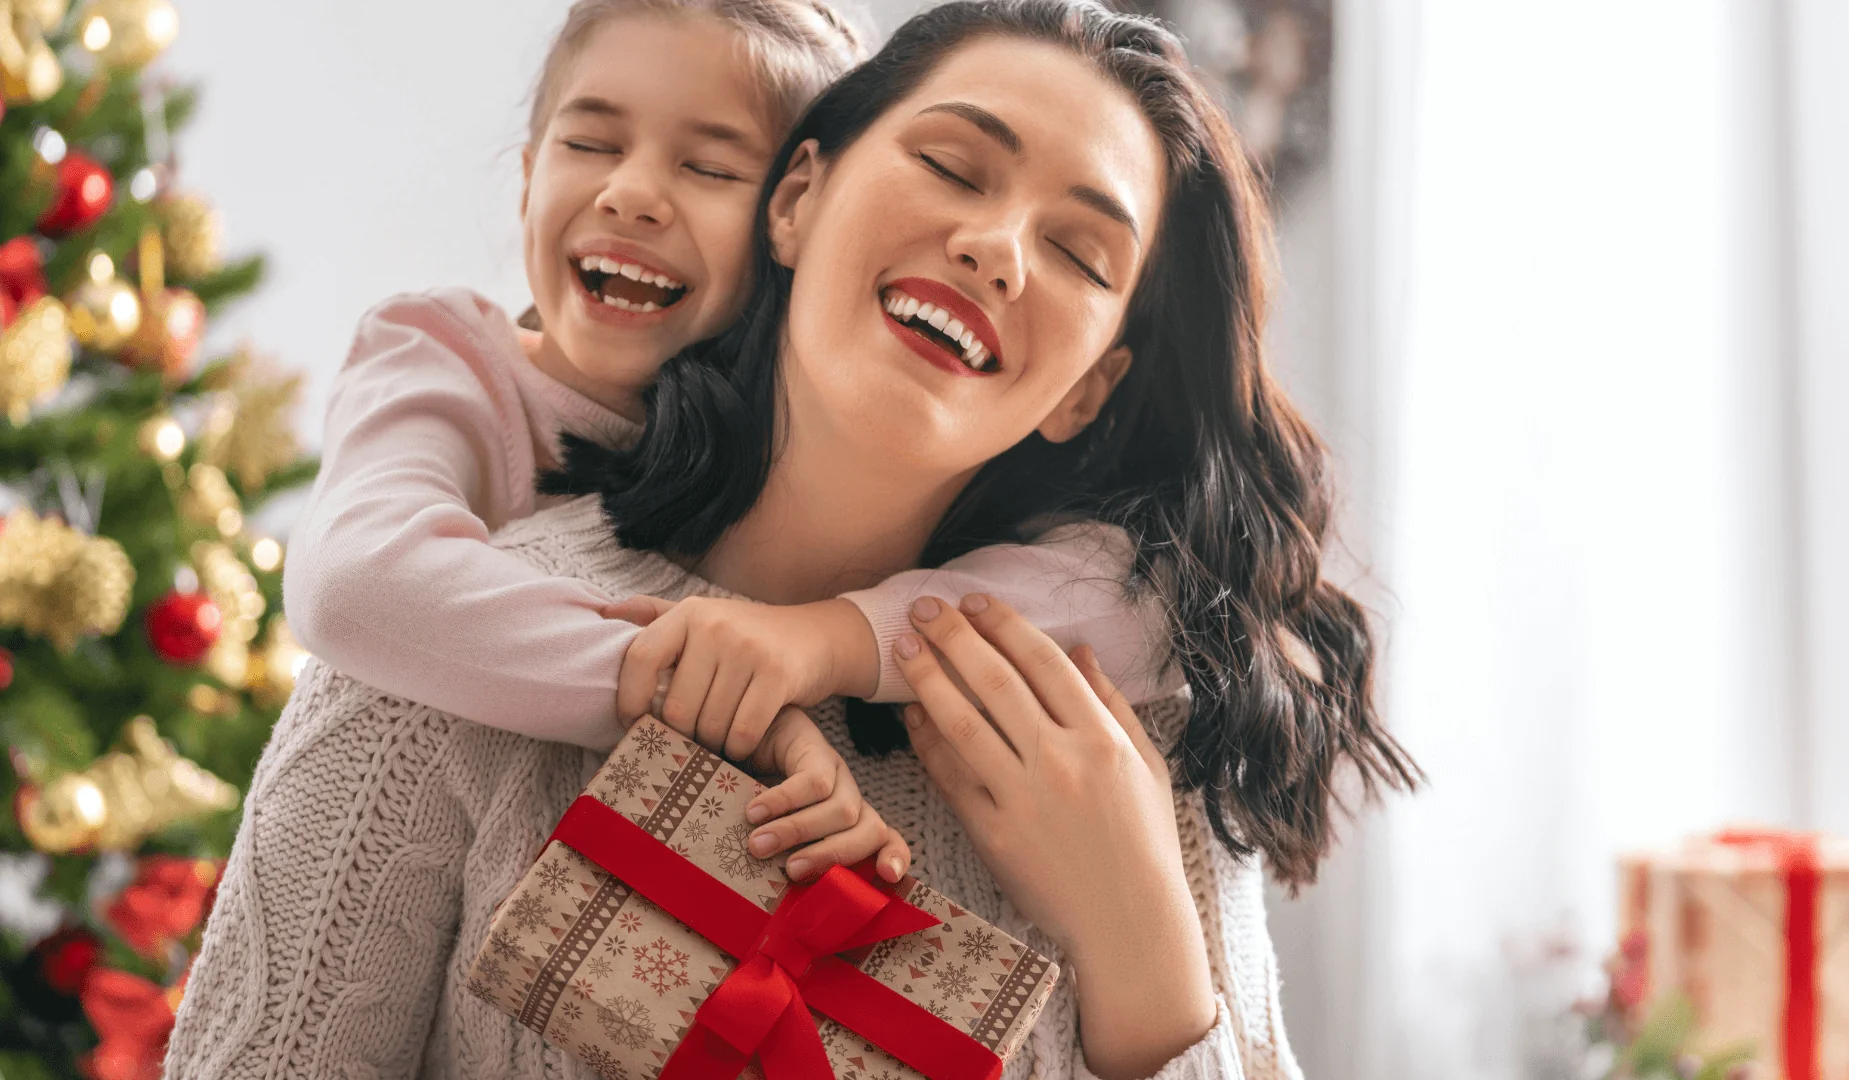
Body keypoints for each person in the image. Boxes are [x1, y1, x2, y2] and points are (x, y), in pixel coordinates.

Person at [166, 2, 1416, 1077]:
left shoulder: (1119, 729)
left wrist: (1150, 970)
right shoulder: (465, 641)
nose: (996, 246)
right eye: (954, 166)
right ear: (800, 198)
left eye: (1081, 252)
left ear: (1091, 386)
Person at [287, 0, 1183, 886]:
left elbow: (1152, 605)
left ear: (781, 219)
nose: (630, 193)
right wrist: (726, 700)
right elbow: (355, 584)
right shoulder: (443, 359)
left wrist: (819, 643)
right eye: (591, 144)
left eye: (711, 168)